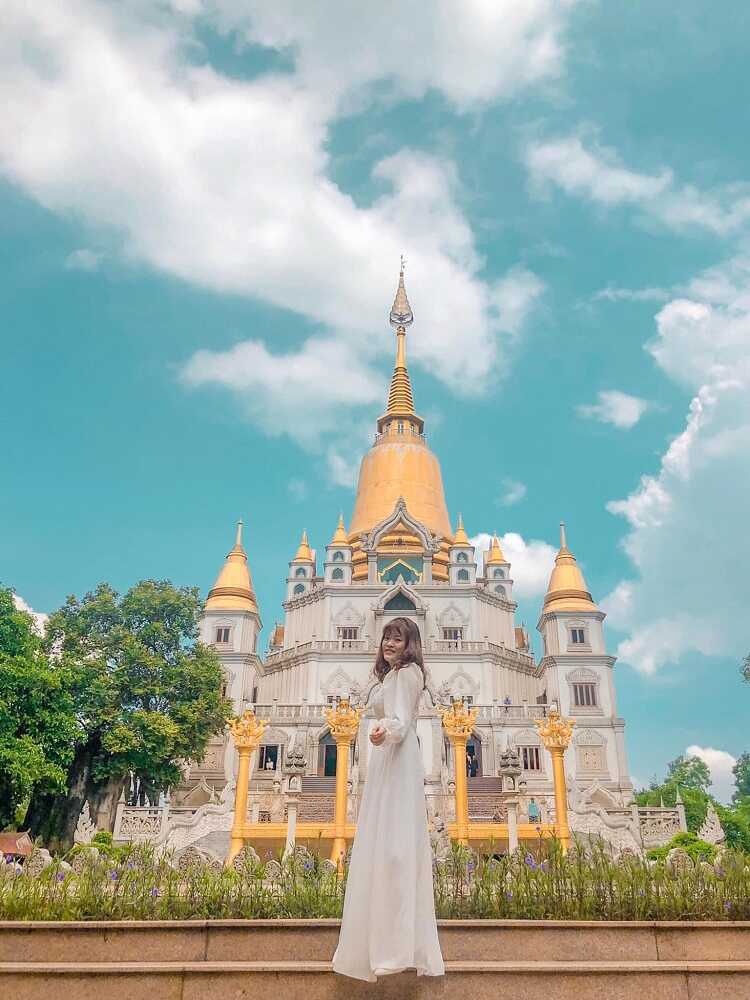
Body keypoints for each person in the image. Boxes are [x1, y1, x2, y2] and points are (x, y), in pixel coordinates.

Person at [332, 617, 445, 982]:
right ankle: (382, 945)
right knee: (384, 846)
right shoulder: (390, 677)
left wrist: (385, 731)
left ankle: (396, 949)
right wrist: (383, 731)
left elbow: (401, 720)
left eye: (397, 638)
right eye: (386, 638)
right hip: (386, 759)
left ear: (410, 643)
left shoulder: (409, 673)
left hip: (397, 756)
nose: (389, 644)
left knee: (396, 848)